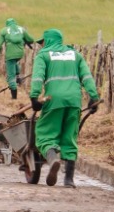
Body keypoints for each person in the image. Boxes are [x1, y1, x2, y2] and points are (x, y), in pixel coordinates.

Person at [29, 27, 99, 187]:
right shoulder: (75, 54)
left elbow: (38, 77)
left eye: (42, 42)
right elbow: (87, 77)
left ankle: (53, 159)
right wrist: (93, 97)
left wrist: (34, 97)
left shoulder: (43, 55)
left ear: (47, 41)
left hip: (53, 100)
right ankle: (69, 180)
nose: (41, 45)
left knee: (44, 134)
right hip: (74, 100)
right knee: (70, 137)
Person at [0, 17, 32, 100]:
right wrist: (24, 40)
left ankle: (14, 98)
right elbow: (31, 40)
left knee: (10, 77)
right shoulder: (21, 30)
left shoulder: (4, 31)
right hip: (20, 54)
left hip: (10, 56)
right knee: (15, 62)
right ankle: (18, 76)